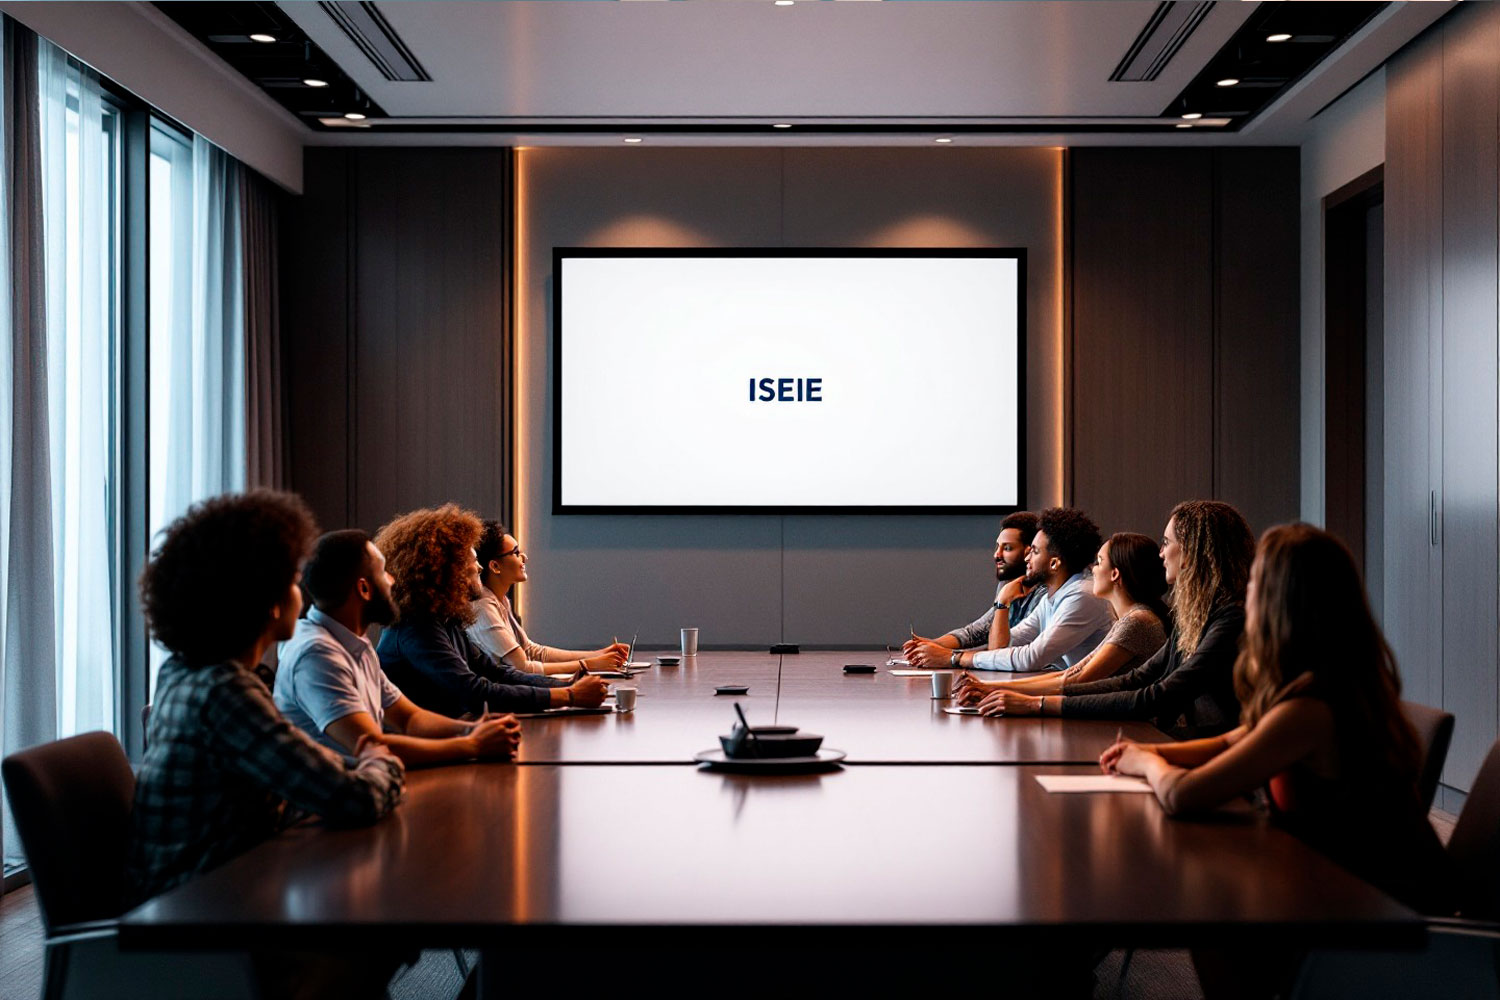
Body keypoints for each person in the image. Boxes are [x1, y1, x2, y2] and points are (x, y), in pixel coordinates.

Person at [1101, 524, 1456, 994]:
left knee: (1204, 895)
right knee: (1208, 879)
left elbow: (1183, 795)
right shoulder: (1328, 683)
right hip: (1342, 885)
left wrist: (1148, 766)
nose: (1245, 595)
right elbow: (1235, 743)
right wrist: (1148, 750)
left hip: (1372, 918)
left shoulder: (1310, 709)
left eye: (1255, 584)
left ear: (1277, 603)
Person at [125, 493, 405, 909]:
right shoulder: (226, 694)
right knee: (379, 912)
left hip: (215, 889)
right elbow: (354, 799)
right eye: (293, 581)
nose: (301, 594)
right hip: (207, 917)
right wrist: (381, 761)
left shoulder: (188, 672)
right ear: (265, 600)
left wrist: (360, 764)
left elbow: (301, 762)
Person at [965, 500, 1252, 739]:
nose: (1161, 552)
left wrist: (1036, 704)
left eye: (1167, 543)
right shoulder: (1194, 616)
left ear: (1193, 552)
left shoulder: (1227, 619)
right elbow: (1135, 680)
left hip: (1208, 748)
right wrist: (1012, 693)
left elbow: (1156, 695)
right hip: (1180, 738)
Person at [276, 529, 524, 766]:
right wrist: (474, 745)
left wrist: (474, 728)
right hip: (334, 804)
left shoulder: (352, 642)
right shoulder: (316, 654)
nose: (392, 580)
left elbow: (410, 719)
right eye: (383, 572)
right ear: (364, 588)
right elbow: (372, 746)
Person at [375, 504, 609, 716]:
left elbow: (496, 673)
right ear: (446, 570)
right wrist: (569, 695)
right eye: (470, 558)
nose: (478, 565)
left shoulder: (445, 619)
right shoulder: (417, 628)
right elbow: (474, 692)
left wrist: (568, 685)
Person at [958, 532, 1168, 700]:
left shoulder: (1137, 620)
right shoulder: (1129, 618)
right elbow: (1072, 672)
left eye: (1099, 562)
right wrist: (991, 686)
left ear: (1115, 575)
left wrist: (990, 686)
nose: (1092, 569)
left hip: (1142, 729)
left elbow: (1077, 679)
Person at [908, 507, 1112, 673]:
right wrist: (1002, 603)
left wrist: (955, 658)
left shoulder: (1081, 596)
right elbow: (1002, 647)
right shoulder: (1055, 596)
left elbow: (1031, 658)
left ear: (1054, 563)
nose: (1027, 558)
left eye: (1034, 551)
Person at [469, 520, 629, 674]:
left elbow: (533, 652)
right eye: (516, 553)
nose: (524, 558)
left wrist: (599, 654)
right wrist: (588, 665)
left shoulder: (499, 600)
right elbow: (523, 667)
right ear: (495, 566)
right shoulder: (483, 608)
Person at [902, 511, 1045, 662]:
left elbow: (1003, 651)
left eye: (1007, 548)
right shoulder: (1008, 584)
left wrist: (950, 657)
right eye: (997, 547)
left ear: (1030, 551)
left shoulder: (1044, 593)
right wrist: (931, 645)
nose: (997, 554)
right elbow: (978, 631)